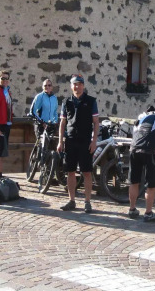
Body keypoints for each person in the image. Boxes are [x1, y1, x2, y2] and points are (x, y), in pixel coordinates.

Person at [56, 74, 99, 213]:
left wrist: (94, 141)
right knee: (70, 171)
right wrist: (60, 141)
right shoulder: (66, 102)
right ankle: (71, 200)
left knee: (87, 172)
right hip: (70, 140)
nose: (77, 87)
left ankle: (87, 202)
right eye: (75, 84)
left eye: (80, 84)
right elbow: (63, 122)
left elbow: (96, 123)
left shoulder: (91, 101)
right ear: (71, 86)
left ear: (83, 86)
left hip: (85, 141)